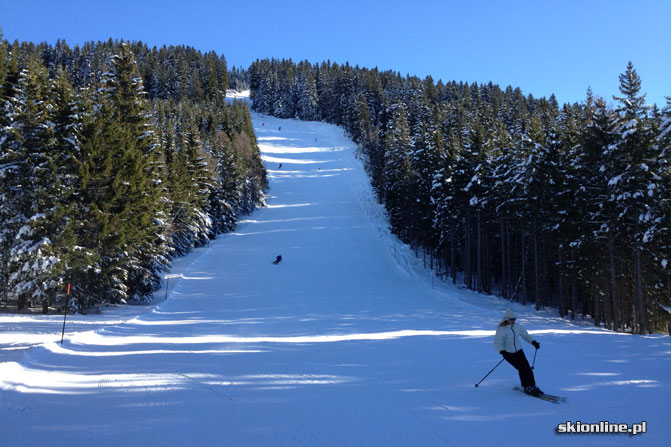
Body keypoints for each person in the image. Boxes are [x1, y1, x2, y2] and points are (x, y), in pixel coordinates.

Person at [494, 309, 542, 396]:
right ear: (506, 319)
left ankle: (533, 385)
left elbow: (525, 335)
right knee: (521, 368)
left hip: (519, 351)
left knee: (527, 368)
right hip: (508, 353)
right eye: (511, 319)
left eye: (514, 319)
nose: (513, 321)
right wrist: (502, 351)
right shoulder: (501, 329)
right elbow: (497, 343)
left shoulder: (517, 326)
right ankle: (526, 386)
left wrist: (533, 342)